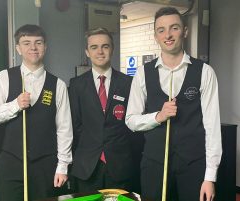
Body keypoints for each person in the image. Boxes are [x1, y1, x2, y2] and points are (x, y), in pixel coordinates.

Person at [125, 7, 222, 201]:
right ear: (155, 35)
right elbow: (131, 120)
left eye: (174, 28)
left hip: (193, 166)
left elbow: (212, 127)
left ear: (184, 31)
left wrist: (210, 177)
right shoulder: (143, 73)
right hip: (154, 165)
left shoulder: (205, 72)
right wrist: (158, 117)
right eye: (161, 30)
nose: (167, 35)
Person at [0, 24, 73, 201]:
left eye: (38, 42)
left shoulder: (58, 85)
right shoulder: (4, 77)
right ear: (18, 48)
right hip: (11, 163)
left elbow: (64, 129)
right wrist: (15, 105)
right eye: (26, 43)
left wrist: (62, 166)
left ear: (45, 47)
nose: (33, 47)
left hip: (45, 165)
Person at [69, 27, 134, 192]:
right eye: (94, 47)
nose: (100, 51)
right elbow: (74, 126)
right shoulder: (76, 85)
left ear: (112, 49)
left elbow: (133, 127)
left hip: (121, 167)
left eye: (105, 46)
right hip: (87, 167)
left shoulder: (128, 83)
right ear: (87, 52)